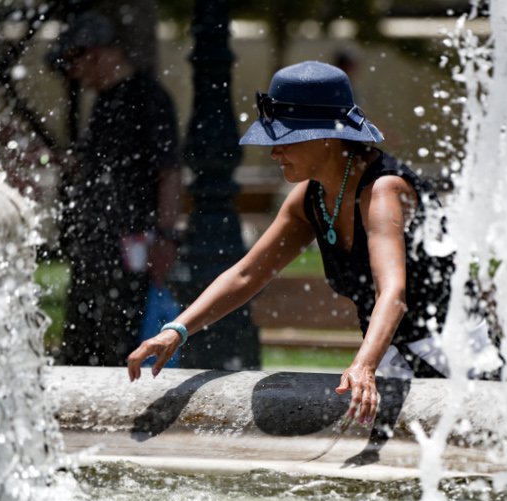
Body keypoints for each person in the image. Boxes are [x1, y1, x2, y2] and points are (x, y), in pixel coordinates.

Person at [127, 60, 456, 425]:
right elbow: (246, 275)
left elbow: (392, 291)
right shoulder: (309, 198)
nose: (274, 152)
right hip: (396, 364)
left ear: (327, 137)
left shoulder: (383, 190)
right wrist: (177, 330)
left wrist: (364, 364)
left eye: (284, 139)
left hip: (457, 360)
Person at [47, 12, 183, 366]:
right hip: (95, 247)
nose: (73, 74)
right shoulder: (105, 102)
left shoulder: (148, 97)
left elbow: (169, 172)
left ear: (96, 53)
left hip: (132, 248)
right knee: (81, 344)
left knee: (121, 340)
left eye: (73, 62)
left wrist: (166, 235)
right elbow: (97, 166)